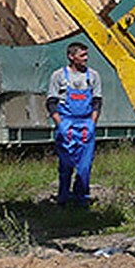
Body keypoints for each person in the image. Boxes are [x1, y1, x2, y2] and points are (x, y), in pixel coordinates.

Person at [46, 41, 102, 207]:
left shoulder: (93, 76)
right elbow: (51, 102)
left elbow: (97, 102)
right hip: (67, 125)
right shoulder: (59, 76)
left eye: (87, 55)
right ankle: (63, 198)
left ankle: (81, 198)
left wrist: (92, 123)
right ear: (71, 57)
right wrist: (60, 125)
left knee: (84, 168)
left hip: (85, 125)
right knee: (66, 166)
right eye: (82, 55)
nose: (86, 58)